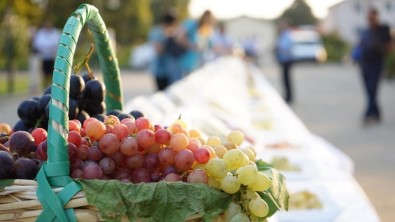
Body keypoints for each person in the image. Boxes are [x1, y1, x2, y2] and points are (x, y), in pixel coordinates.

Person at [357, 8, 392, 124]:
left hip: (376, 63)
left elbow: (390, 46)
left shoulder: (383, 29)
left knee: (373, 88)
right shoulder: (366, 31)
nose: (370, 19)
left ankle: (368, 114)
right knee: (369, 90)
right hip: (364, 64)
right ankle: (376, 113)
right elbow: (361, 46)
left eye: (372, 16)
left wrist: (381, 48)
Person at [149, 10, 185, 91]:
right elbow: (158, 50)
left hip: (173, 71)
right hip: (161, 71)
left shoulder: (174, 32)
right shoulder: (157, 32)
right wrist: (167, 37)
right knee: (162, 95)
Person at [180, 10, 215, 76]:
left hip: (196, 63)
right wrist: (192, 45)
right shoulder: (192, 24)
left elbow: (211, 45)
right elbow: (180, 37)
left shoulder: (206, 31)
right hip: (185, 62)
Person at [32, 20, 61, 88]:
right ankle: (40, 85)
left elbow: (58, 44)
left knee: (52, 72)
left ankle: (54, 84)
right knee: (42, 70)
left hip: (53, 56)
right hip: (43, 57)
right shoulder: (40, 33)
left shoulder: (55, 33)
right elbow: (37, 45)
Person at [275, 20, 294, 103]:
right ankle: (287, 96)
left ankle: (289, 97)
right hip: (283, 59)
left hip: (286, 59)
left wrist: (279, 49)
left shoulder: (287, 34)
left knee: (286, 79)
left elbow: (286, 46)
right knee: (284, 79)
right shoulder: (283, 34)